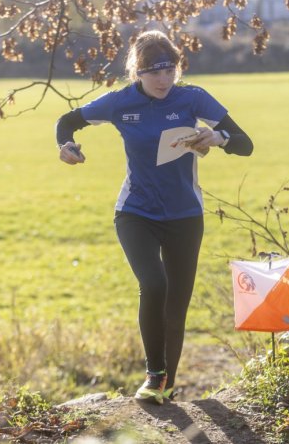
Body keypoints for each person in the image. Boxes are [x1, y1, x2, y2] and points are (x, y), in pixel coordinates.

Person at [55, 30, 253, 404]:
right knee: (154, 283)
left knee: (176, 305)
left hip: (185, 216)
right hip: (136, 213)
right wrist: (65, 146)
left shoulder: (191, 97)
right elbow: (67, 121)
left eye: (170, 69)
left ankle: (166, 386)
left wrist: (219, 138)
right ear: (137, 72)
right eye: (154, 72)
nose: (163, 79)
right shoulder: (119, 103)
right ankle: (154, 374)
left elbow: (245, 143)